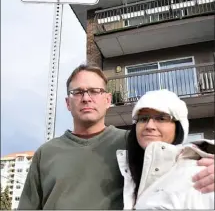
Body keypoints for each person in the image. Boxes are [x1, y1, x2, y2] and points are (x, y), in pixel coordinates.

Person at [18, 64, 215, 209]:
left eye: (95, 91)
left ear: (108, 100)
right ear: (67, 103)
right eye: (77, 92)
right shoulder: (46, 153)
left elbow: (179, 156)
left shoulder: (135, 143)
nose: (86, 98)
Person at [117, 89, 214, 209]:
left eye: (161, 118)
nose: (149, 126)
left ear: (178, 127)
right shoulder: (127, 173)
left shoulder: (202, 175)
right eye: (143, 118)